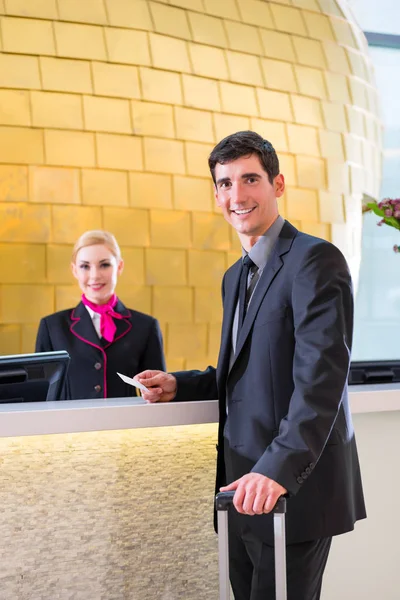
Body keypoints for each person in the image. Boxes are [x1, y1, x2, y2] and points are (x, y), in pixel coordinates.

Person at [135, 131, 366, 600]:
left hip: (287, 486)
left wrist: (277, 470)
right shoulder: (235, 275)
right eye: (224, 183)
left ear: (277, 185)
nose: (236, 195)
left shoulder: (315, 260)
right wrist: (178, 384)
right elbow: (245, 369)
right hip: (238, 485)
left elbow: (320, 382)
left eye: (250, 179)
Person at [36, 230, 165, 400]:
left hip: (125, 424)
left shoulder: (146, 327)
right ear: (74, 270)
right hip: (69, 425)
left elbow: (159, 393)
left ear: (119, 267)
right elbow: (41, 394)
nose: (95, 275)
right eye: (85, 266)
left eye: (104, 265)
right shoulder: (52, 327)